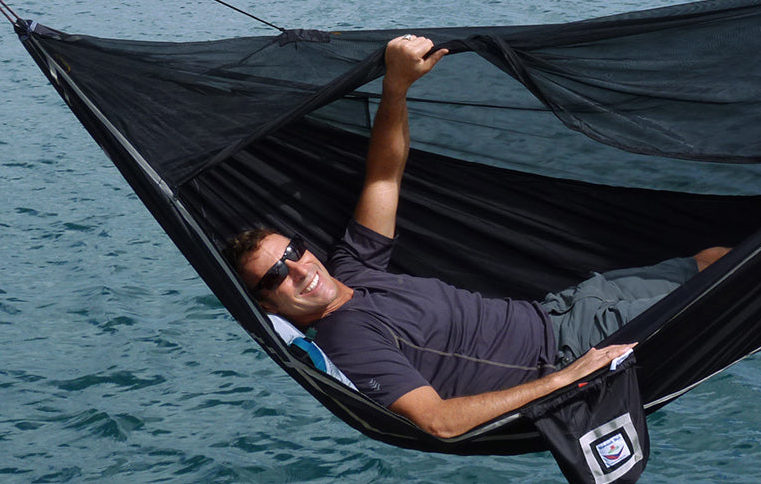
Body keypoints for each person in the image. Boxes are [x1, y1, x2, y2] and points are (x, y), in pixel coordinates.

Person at [225, 34, 729, 439]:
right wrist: (565, 380)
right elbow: (438, 422)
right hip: (571, 349)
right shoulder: (349, 338)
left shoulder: (354, 267)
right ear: (269, 307)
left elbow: (383, 176)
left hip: (563, 307)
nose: (298, 270)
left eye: (291, 251)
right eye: (275, 276)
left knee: (713, 258)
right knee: (735, 283)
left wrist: (396, 87)